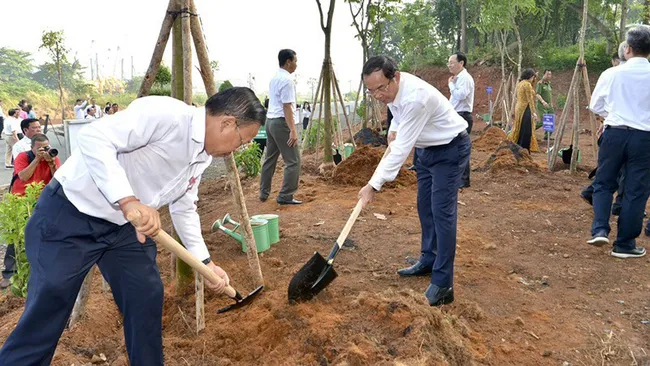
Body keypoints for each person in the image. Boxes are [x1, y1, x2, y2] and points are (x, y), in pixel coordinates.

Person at [0, 88, 266, 365]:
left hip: (124, 228)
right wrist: (128, 200)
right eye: (242, 140)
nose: (238, 149)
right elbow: (93, 137)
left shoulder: (202, 156)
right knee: (50, 302)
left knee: (146, 295)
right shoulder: (167, 116)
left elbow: (184, 206)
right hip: (70, 215)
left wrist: (205, 262)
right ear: (227, 123)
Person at [357, 55, 470, 306]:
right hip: (426, 149)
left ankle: (443, 284)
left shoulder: (416, 97)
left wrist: (373, 185)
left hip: (449, 150)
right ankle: (429, 259)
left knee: (442, 212)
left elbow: (400, 150)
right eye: (371, 91)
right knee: (425, 207)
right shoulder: (395, 90)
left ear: (394, 77)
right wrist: (393, 129)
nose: (377, 95)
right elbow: (398, 116)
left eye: (381, 88)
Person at [587, 26, 650, 259]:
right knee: (636, 190)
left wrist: (611, 114)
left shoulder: (611, 73)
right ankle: (624, 244)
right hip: (644, 137)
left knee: (604, 182)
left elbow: (596, 105)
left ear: (628, 49)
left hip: (614, 133)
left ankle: (600, 229)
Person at [259, 49, 302, 205]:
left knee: (269, 159)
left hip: (270, 122)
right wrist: (292, 130)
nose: (296, 64)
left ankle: (263, 193)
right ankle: (285, 195)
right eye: (295, 61)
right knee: (293, 161)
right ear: (288, 62)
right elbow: (286, 107)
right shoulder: (287, 80)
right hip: (281, 123)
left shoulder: (274, 78)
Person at [447, 52, 475, 188]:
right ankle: (458, 178)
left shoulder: (465, 78)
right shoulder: (458, 78)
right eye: (449, 63)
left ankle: (463, 180)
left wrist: (451, 86)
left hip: (462, 116)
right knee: (455, 147)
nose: (449, 65)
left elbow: (460, 95)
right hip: (456, 115)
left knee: (460, 148)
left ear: (461, 63)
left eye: (451, 62)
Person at [508, 69, 539, 152]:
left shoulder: (520, 84)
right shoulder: (527, 85)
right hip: (526, 108)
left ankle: (517, 146)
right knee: (526, 130)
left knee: (519, 127)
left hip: (518, 107)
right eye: (533, 77)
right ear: (531, 76)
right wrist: (534, 112)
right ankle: (524, 148)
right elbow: (530, 99)